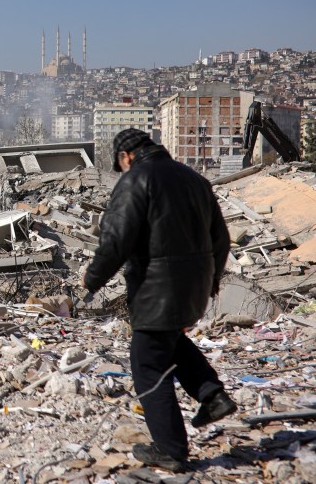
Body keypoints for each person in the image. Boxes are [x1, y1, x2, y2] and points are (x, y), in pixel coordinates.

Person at [82, 128, 236, 472]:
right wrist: (211, 279)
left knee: (147, 361)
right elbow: (221, 238)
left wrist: (91, 279)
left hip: (157, 286)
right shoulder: (194, 179)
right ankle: (212, 394)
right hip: (195, 285)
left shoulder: (135, 180)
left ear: (126, 156)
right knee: (167, 341)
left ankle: (170, 449)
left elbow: (116, 239)